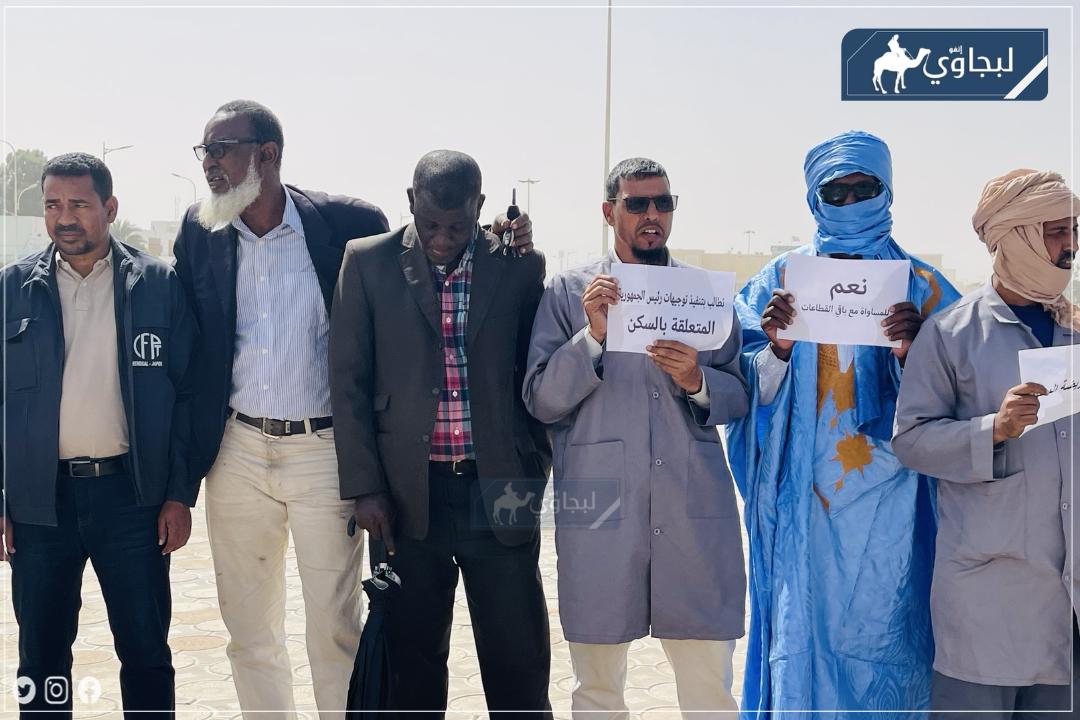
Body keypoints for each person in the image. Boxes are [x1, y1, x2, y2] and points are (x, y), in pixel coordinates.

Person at [173, 102, 533, 718]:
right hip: (236, 450)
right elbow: (190, 337)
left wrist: (506, 237)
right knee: (248, 629)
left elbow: (424, 265)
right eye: (204, 150)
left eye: (222, 149)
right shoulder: (199, 230)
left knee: (336, 625)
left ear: (267, 154)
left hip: (322, 451)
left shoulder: (346, 223)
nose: (209, 164)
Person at [726, 130, 960, 718]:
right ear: (815, 198)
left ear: (888, 191)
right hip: (803, 502)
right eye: (837, 191)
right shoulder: (778, 281)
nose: (851, 201)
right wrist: (777, 348)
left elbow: (964, 396)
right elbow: (740, 392)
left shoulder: (925, 287)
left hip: (897, 510)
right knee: (803, 631)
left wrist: (913, 354)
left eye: (864, 188)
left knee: (890, 636)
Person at [523, 157, 749, 719]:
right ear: (609, 211)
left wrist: (696, 380)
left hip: (692, 510)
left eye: (663, 203)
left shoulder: (703, 296)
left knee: (709, 690)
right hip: (602, 511)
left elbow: (740, 394)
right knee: (597, 689)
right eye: (638, 204)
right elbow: (541, 399)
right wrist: (592, 337)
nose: (653, 215)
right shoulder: (569, 292)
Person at [330, 149, 552, 718]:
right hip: (406, 499)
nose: (442, 239)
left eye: (457, 226)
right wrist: (365, 488)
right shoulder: (367, 262)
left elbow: (537, 371)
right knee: (412, 667)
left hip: (499, 491)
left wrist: (535, 466)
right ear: (410, 201)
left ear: (481, 207)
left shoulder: (519, 265)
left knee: (519, 664)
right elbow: (348, 382)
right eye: (430, 224)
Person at [1, 152, 196, 715]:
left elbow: (188, 396)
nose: (65, 217)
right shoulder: (12, 289)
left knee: (145, 653)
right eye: (52, 204)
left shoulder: (157, 285)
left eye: (79, 204)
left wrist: (179, 493)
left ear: (109, 208)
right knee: (40, 658)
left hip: (132, 500)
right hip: (40, 506)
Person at [893, 169, 1079, 719]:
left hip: (1066, 603)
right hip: (988, 597)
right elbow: (911, 440)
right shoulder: (951, 333)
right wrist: (993, 429)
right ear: (1015, 236)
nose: (1070, 244)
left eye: (1074, 229)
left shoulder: (1075, 329)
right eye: (1055, 231)